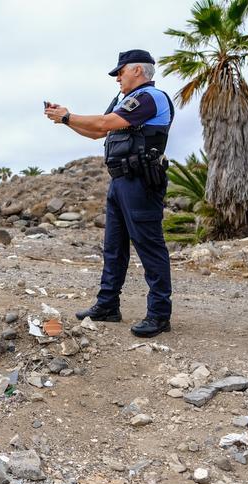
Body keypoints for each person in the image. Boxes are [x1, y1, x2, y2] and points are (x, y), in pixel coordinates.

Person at [44, 49, 174, 338]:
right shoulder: (122, 100)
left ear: (138, 71)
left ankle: (159, 314)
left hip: (141, 182)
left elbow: (103, 124)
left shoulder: (150, 98)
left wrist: (68, 115)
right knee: (113, 247)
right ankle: (107, 305)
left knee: (149, 246)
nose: (117, 77)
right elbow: (96, 133)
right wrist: (65, 120)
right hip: (119, 182)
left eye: (121, 71)